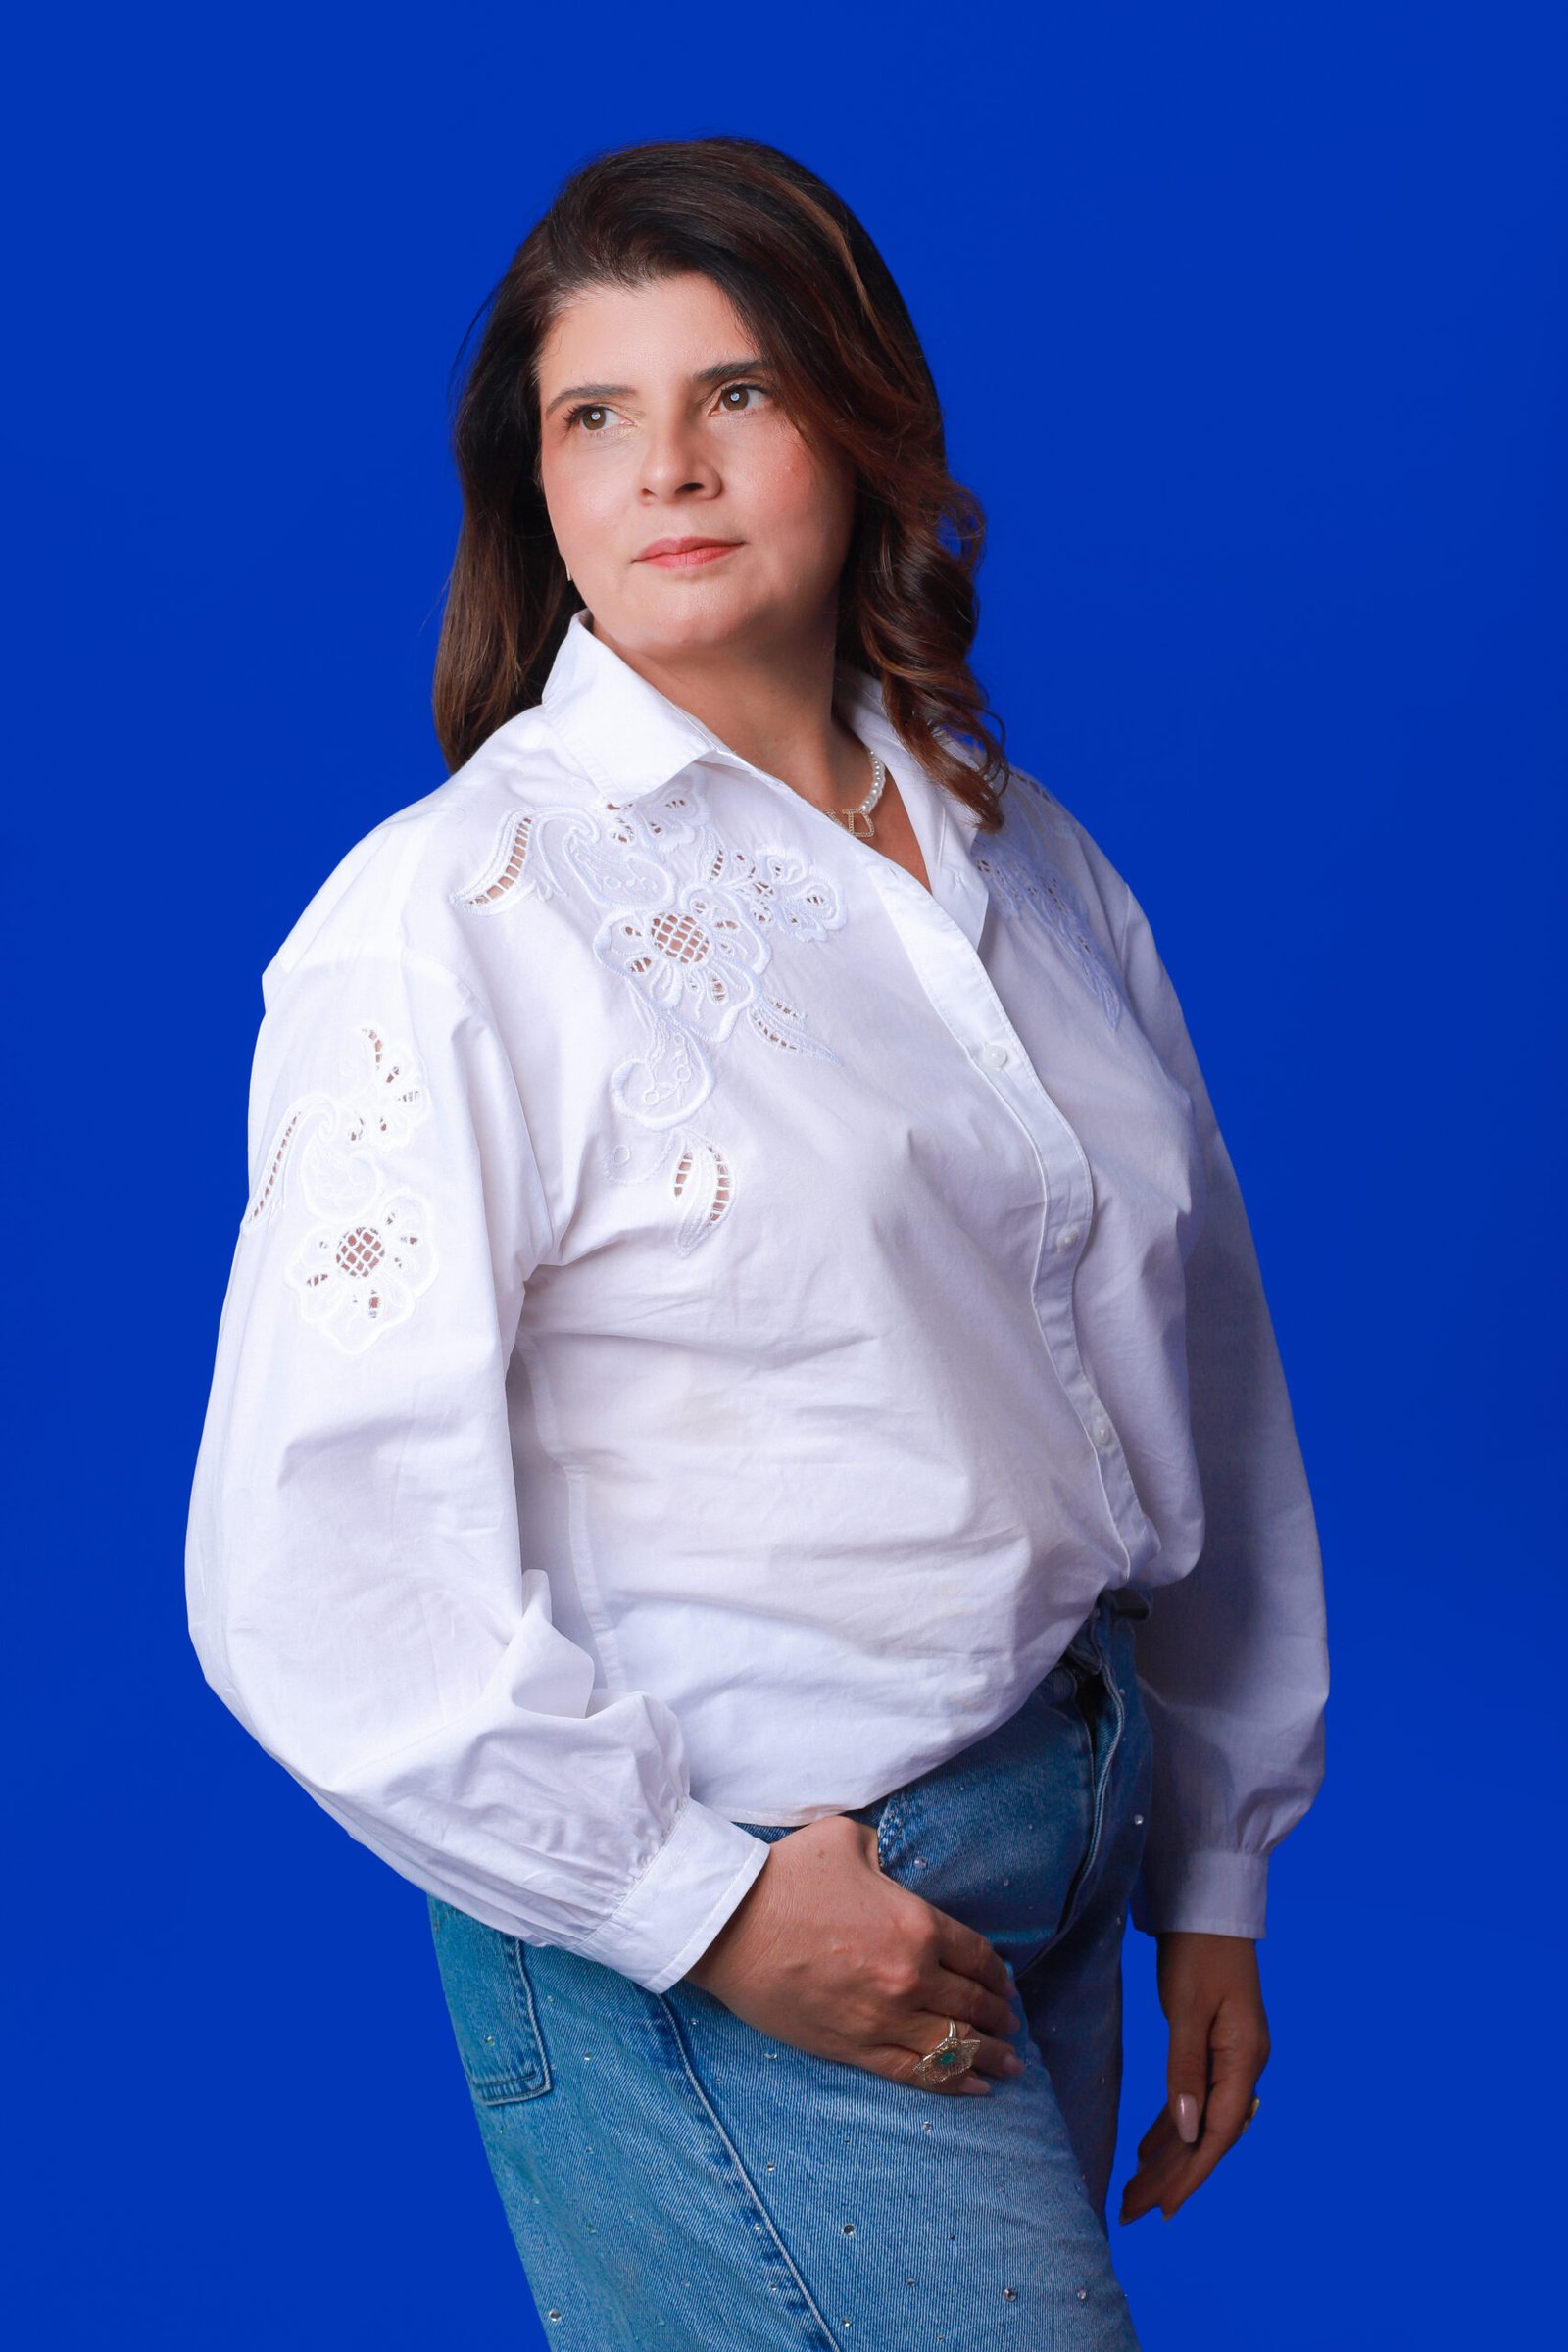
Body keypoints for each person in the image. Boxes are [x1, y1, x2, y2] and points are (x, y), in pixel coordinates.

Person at [184, 133, 1329, 2349]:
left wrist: (1213, 1859)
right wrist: (697, 1908)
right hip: (755, 1914)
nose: (667, 470)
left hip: (1057, 1831)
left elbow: (1201, 1370)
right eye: (592, 416)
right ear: (531, 487)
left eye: (736, 392)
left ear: (859, 422)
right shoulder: (456, 917)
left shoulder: (1020, 855)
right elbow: (312, 1557)